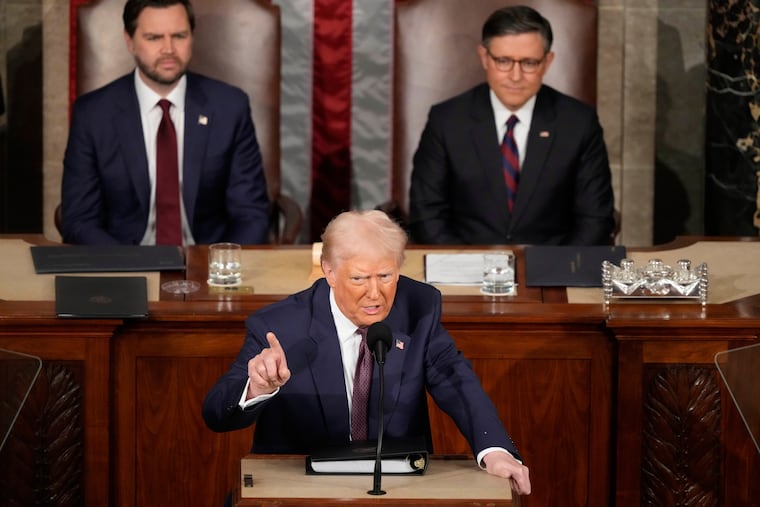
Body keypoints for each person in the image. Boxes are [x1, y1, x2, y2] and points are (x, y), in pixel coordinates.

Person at [202, 209, 531, 496]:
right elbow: (217, 414)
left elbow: (455, 379)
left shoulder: (419, 308)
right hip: (300, 487)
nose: (375, 294)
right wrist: (257, 388)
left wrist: (495, 449)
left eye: (386, 276)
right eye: (359, 278)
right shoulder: (281, 326)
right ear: (329, 271)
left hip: (395, 485)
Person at [60, 0, 270, 245]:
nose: (168, 49)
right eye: (154, 38)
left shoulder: (229, 107)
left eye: (179, 36)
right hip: (124, 265)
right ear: (130, 41)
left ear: (192, 37)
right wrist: (126, 268)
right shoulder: (93, 114)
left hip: (208, 267)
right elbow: (79, 220)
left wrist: (221, 268)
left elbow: (251, 214)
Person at [408, 5, 614, 245]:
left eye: (529, 63)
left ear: (547, 62)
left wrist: (558, 270)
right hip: (463, 269)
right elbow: (427, 215)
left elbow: (595, 218)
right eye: (503, 61)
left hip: (550, 270)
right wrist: (462, 269)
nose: (515, 76)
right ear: (484, 57)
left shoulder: (578, 122)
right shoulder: (446, 120)